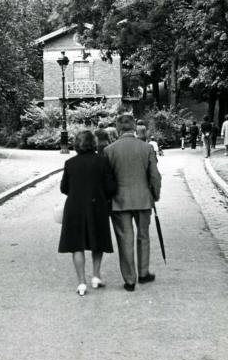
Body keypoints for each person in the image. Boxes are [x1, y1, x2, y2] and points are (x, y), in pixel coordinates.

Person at [104, 113, 161, 292]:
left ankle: (130, 279)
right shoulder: (146, 148)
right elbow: (154, 176)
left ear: (118, 128)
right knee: (143, 236)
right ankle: (143, 272)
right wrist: (155, 195)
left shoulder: (109, 150)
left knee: (125, 239)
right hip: (143, 198)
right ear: (134, 127)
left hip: (119, 201)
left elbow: (107, 179)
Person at [58, 129, 117, 296]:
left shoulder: (70, 163)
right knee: (97, 240)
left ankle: (81, 282)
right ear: (94, 143)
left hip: (75, 207)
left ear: (77, 144)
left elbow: (64, 188)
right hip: (97, 205)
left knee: (77, 244)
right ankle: (96, 276)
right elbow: (110, 187)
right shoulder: (102, 161)